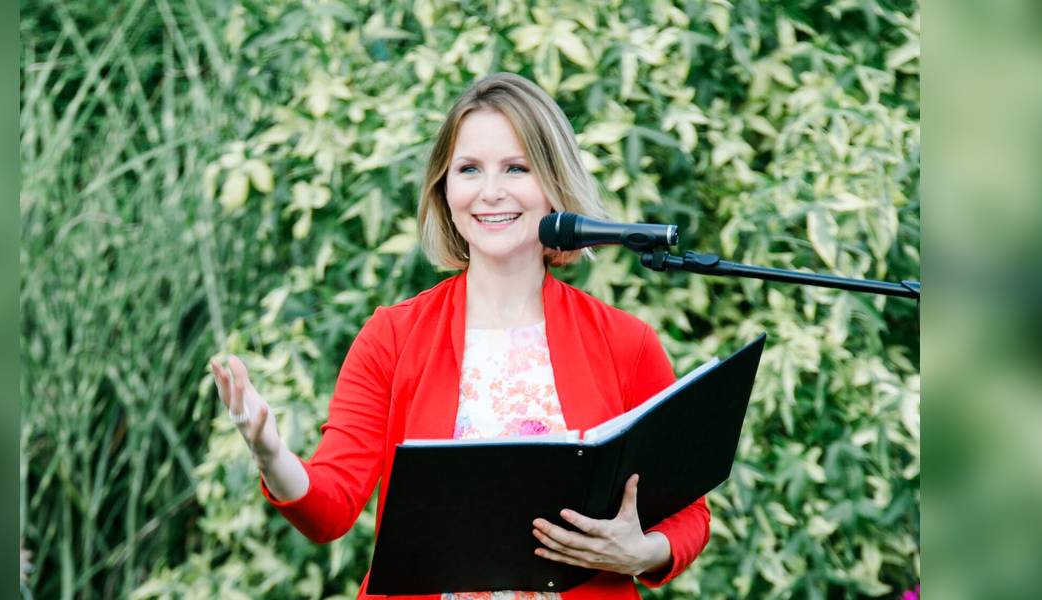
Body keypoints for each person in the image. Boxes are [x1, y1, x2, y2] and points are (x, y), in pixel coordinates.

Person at [209, 72, 710, 599]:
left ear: (554, 184)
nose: (490, 192)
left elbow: (688, 512)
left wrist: (642, 551)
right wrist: (270, 453)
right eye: (469, 169)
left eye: (516, 168)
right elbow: (329, 507)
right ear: (445, 190)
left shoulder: (626, 342)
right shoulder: (391, 337)